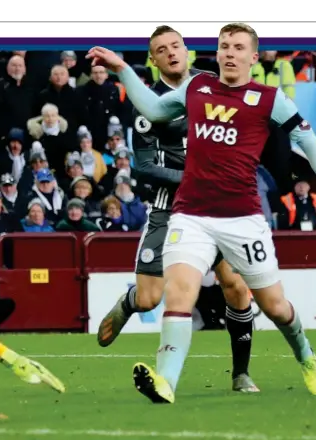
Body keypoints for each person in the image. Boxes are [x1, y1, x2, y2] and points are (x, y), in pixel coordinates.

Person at [87, 22, 316, 404]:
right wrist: (122, 68)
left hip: (243, 219)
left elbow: (308, 141)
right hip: (190, 215)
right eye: (223, 46)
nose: (229, 53)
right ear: (215, 54)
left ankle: (306, 354)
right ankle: (166, 383)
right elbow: (150, 107)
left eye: (237, 47)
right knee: (179, 295)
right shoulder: (197, 88)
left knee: (275, 307)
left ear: (252, 56)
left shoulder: (269, 98)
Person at [97, 25, 258, 393]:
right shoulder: (147, 105)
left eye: (176, 46)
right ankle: (129, 303)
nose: (171, 53)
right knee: (152, 297)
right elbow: (144, 166)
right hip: (170, 208)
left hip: (217, 207)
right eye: (161, 50)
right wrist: (194, 175)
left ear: (187, 50)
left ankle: (241, 374)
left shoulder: (215, 86)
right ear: (153, 61)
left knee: (235, 286)